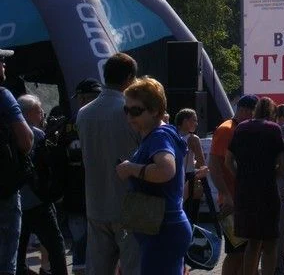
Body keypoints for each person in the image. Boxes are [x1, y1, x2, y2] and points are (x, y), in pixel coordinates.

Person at [115, 77, 192, 275]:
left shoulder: (159, 135)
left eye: (136, 111)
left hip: (163, 229)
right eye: (126, 110)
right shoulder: (158, 133)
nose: (129, 116)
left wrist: (131, 168)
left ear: (155, 110)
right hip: (161, 226)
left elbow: (166, 170)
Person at [76, 52, 141, 275]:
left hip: (96, 203)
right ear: (130, 78)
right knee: (134, 268)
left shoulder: (83, 113)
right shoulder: (132, 112)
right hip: (129, 205)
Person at [226, 97, 284, 275]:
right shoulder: (274, 129)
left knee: (252, 243)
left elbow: (228, 161)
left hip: (245, 192)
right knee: (270, 242)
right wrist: (272, 176)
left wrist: (241, 177)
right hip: (267, 191)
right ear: (272, 113)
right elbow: (282, 164)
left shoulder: (241, 128)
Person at [15, 94, 68, 275]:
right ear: (30, 113)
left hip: (16, 201)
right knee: (55, 244)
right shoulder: (36, 135)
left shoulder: (8, 133)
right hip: (38, 200)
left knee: (18, 249)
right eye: (39, 112)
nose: (42, 115)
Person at [57, 78, 102, 275]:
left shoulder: (69, 124)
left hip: (74, 193)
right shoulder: (112, 120)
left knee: (80, 243)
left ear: (82, 98)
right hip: (103, 192)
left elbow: (59, 160)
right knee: (105, 245)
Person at [209, 94, 257, 275]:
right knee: (236, 251)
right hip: (231, 201)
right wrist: (226, 195)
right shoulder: (227, 129)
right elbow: (214, 165)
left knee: (245, 251)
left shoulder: (240, 129)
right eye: (255, 113)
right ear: (245, 110)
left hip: (241, 199)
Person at [0, 49, 34, 275]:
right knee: (5, 262)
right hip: (4, 191)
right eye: (1, 60)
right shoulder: (3, 96)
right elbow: (25, 141)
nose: (4, 64)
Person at [174, 108, 208, 225]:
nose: (196, 123)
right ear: (185, 121)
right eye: (194, 120)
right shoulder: (193, 139)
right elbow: (202, 163)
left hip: (173, 177)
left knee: (177, 211)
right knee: (190, 214)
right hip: (189, 177)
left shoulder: (172, 136)